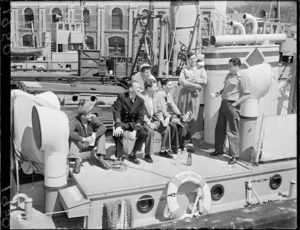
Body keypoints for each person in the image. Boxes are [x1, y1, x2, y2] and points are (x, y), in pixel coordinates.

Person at [210, 57, 251, 164]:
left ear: (236, 66)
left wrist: (234, 105)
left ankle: (234, 156)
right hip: (223, 103)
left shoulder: (243, 78)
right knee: (220, 128)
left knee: (232, 131)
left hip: (232, 105)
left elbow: (247, 95)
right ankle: (219, 149)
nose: (228, 68)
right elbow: (225, 89)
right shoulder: (228, 75)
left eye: (230, 66)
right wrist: (219, 93)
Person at [112, 80, 148, 165]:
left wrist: (135, 130)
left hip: (133, 124)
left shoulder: (140, 101)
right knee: (118, 133)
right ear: (131, 89)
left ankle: (133, 154)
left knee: (143, 133)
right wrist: (118, 125)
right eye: (137, 87)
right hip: (122, 122)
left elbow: (140, 118)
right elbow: (116, 111)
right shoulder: (121, 96)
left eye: (140, 87)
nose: (140, 89)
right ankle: (119, 156)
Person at [69, 103, 109, 173]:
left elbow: (103, 127)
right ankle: (77, 160)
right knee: (72, 138)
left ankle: (101, 158)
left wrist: (94, 135)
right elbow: (70, 132)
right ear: (83, 116)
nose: (91, 115)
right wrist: (83, 139)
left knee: (101, 135)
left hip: (90, 143)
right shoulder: (74, 121)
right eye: (89, 114)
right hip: (80, 145)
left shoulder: (92, 118)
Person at [140, 79, 173, 162]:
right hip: (143, 120)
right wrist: (148, 123)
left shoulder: (155, 96)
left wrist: (162, 121)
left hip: (152, 119)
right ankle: (147, 154)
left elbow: (158, 110)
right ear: (148, 88)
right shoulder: (141, 97)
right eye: (155, 87)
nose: (157, 88)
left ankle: (163, 150)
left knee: (167, 128)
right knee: (150, 131)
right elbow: (140, 113)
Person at [159, 78, 193, 152]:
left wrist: (180, 116)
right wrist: (172, 119)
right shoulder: (160, 95)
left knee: (184, 123)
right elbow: (162, 111)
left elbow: (173, 106)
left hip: (168, 116)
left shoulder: (168, 94)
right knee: (173, 125)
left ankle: (183, 144)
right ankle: (174, 147)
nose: (172, 86)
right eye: (170, 85)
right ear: (164, 86)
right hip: (161, 116)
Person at [178, 53, 207, 138]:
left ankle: (185, 134)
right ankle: (183, 137)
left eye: (194, 58)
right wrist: (195, 85)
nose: (193, 60)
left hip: (195, 95)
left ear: (196, 59)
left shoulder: (201, 69)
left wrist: (192, 80)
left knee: (193, 117)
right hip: (185, 94)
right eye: (191, 59)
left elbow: (204, 81)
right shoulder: (184, 70)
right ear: (188, 60)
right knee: (183, 115)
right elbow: (182, 82)